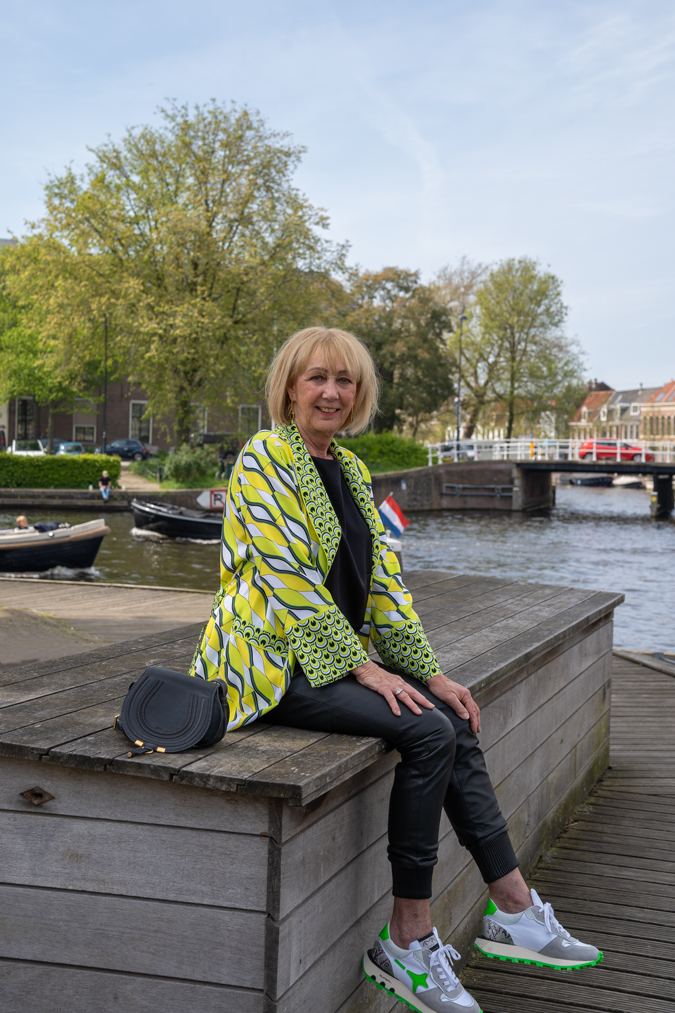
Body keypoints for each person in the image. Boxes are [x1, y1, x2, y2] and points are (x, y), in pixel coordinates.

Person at [190, 327, 601, 1013]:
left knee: (451, 715)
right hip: (266, 666)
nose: (331, 391)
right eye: (317, 377)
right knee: (430, 732)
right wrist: (364, 668)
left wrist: (426, 672)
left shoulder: (348, 469)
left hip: (326, 663)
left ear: (358, 393)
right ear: (289, 386)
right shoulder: (264, 458)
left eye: (344, 380)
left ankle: (513, 908)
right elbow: (289, 580)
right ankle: (408, 939)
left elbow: (384, 587)